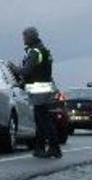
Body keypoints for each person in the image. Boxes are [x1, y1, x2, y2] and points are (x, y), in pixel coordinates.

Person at [14, 26, 60, 159]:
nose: (23, 39)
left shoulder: (35, 51)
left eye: (24, 36)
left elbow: (26, 71)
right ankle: (40, 148)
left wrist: (14, 68)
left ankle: (53, 148)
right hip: (44, 88)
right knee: (41, 120)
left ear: (30, 37)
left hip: (40, 90)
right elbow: (39, 71)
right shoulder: (43, 50)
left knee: (43, 120)